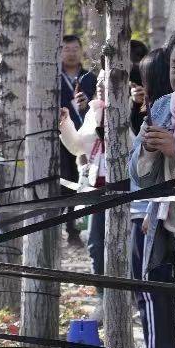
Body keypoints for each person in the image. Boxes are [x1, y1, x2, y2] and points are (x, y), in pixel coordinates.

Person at [129, 40, 175, 348]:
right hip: (169, 222)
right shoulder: (165, 106)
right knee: (157, 284)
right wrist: (148, 150)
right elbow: (140, 176)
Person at [57, 89, 110, 276]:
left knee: (120, 244)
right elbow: (78, 146)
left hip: (126, 189)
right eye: (99, 83)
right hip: (96, 188)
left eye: (106, 81)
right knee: (95, 243)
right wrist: (65, 123)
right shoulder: (94, 109)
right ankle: (101, 293)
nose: (101, 87)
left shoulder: (132, 104)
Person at [58, 34, 99, 247]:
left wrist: (88, 103)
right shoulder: (54, 77)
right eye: (67, 49)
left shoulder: (91, 77)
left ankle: (75, 230)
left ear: (81, 51)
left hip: (87, 138)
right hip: (62, 138)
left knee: (82, 182)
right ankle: (60, 226)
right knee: (64, 181)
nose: (71, 53)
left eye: (75, 49)